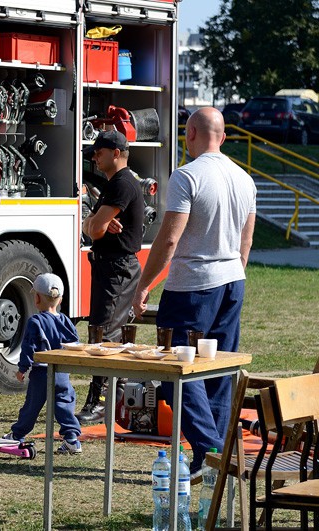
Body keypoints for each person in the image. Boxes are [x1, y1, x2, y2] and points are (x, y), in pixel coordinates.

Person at [132, 107, 256, 477]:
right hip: (233, 279)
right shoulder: (244, 178)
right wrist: (232, 273)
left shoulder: (188, 176)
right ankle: (213, 459)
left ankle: (209, 448)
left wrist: (143, 285)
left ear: (192, 135)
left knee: (176, 371)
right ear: (223, 135)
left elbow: (169, 240)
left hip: (192, 285)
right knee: (217, 370)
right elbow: (246, 242)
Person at [77, 130, 145, 424]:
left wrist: (96, 223)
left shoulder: (123, 184)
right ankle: (108, 399)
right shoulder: (112, 185)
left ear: (116, 153)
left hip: (118, 267)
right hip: (108, 266)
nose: (94, 157)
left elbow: (92, 229)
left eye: (98, 152)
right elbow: (88, 226)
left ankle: (102, 402)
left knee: (104, 333)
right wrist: (97, 222)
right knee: (100, 330)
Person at [4, 273, 82, 454]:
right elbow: (75, 341)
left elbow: (28, 347)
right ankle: (72, 439)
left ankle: (17, 435)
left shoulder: (36, 321)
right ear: (60, 298)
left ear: (37, 298)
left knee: (32, 406)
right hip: (62, 372)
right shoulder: (65, 321)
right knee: (64, 405)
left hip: (41, 373)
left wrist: (22, 368)